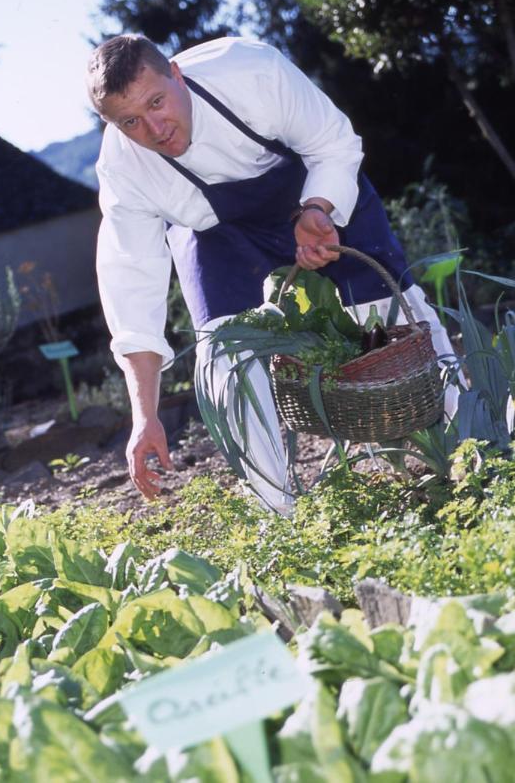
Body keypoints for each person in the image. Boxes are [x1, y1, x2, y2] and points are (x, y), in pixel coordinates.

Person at [87, 34, 456, 513]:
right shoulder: (122, 169)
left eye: (157, 101)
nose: (154, 128)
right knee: (224, 353)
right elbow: (130, 286)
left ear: (176, 75)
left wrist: (318, 207)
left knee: (386, 311)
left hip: (315, 185)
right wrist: (145, 417)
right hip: (216, 234)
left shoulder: (248, 70)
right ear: (111, 124)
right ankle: (276, 512)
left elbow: (332, 142)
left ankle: (470, 441)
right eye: (130, 121)